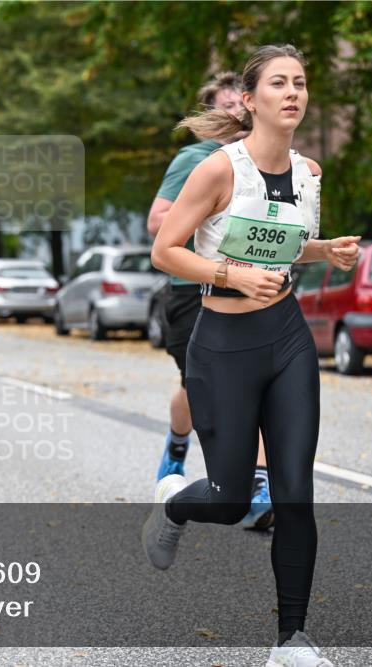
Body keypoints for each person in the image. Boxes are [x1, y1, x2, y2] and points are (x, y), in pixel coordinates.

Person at [145, 44, 360, 666]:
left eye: (301, 83)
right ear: (250, 99)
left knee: (293, 489)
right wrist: (232, 276)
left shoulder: (309, 173)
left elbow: (291, 247)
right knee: (232, 497)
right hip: (223, 344)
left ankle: (291, 640)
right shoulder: (216, 170)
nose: (293, 92)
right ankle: (177, 504)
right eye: (278, 83)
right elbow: (165, 249)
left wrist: (329, 253)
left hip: (287, 340)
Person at [148, 72, 274, 530]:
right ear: (212, 114)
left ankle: (260, 487)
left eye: (244, 104)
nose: (239, 113)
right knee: (197, 388)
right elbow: (157, 225)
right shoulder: (197, 158)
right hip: (191, 294)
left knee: (253, 387)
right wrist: (209, 209)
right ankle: (178, 446)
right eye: (228, 107)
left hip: (247, 293)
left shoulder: (268, 163)